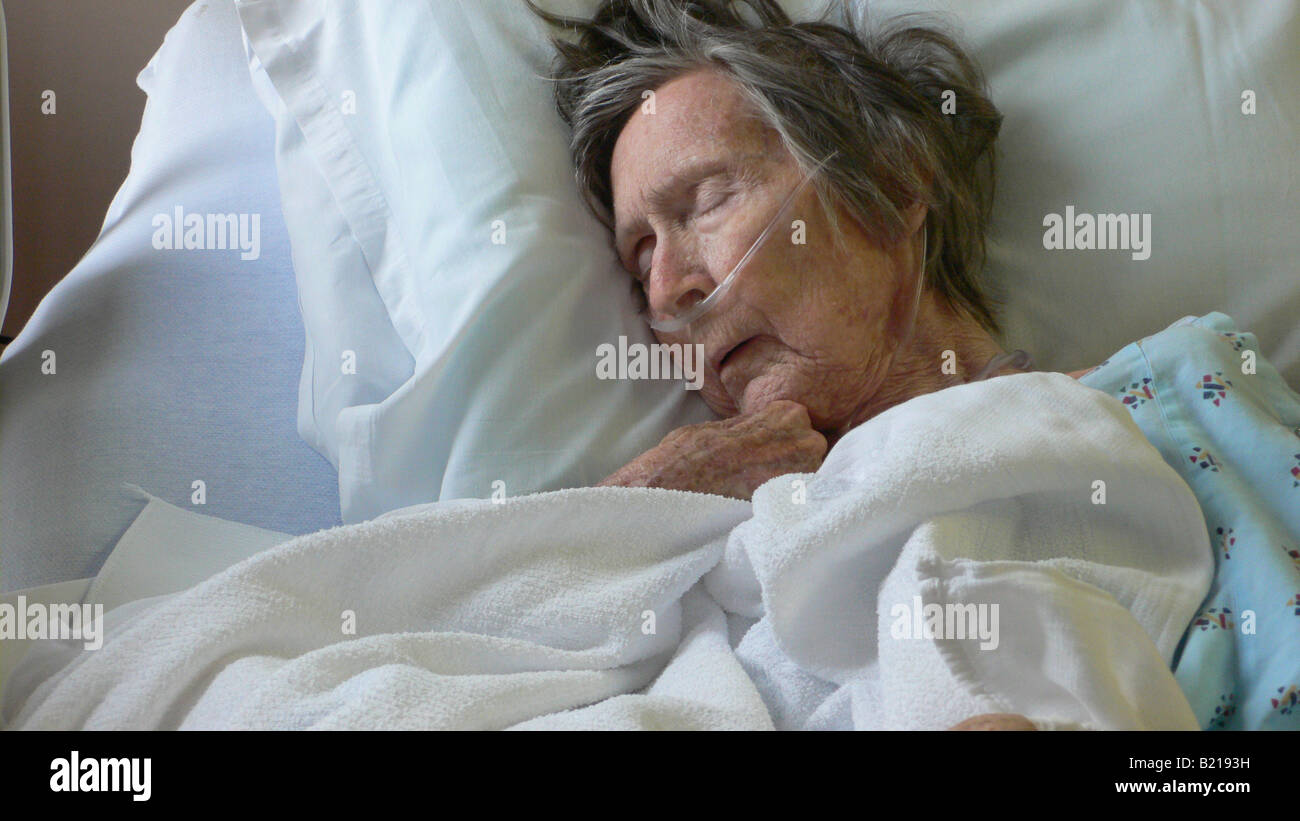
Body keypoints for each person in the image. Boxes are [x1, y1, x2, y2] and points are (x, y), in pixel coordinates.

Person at [527, 0, 1300, 730]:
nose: (668, 288)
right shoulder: (715, 542)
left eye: (705, 202)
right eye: (641, 258)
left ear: (892, 184)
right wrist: (638, 509)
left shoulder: (1178, 399)